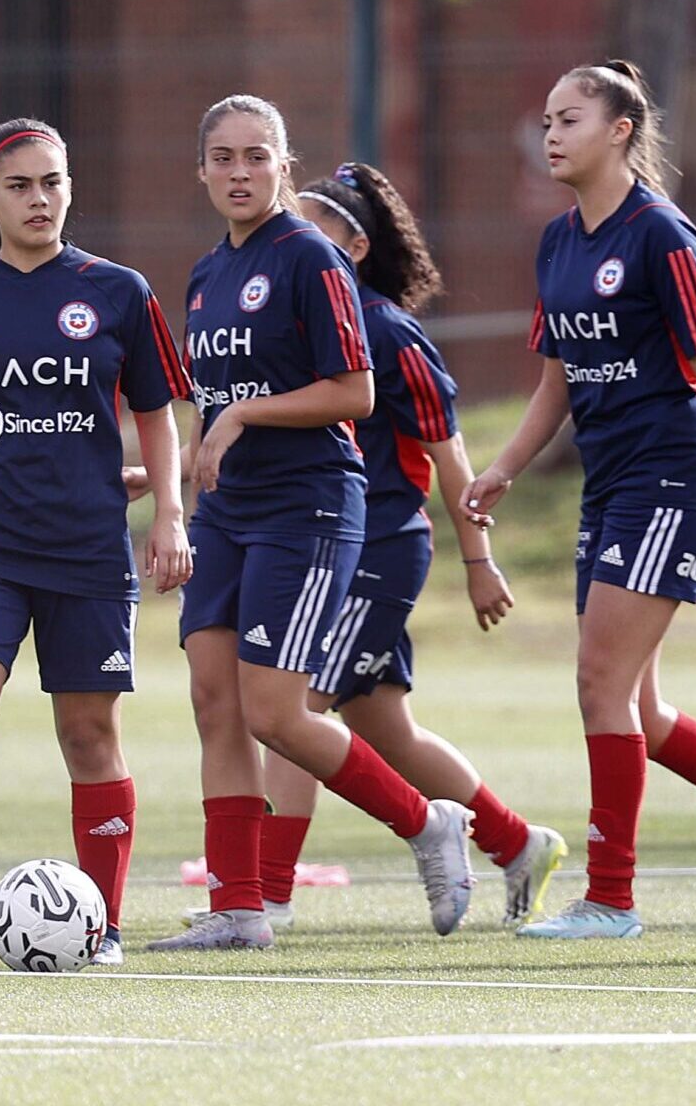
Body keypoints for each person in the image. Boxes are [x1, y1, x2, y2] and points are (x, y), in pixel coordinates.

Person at [466, 61, 696, 940]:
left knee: (599, 683)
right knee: (637, 707)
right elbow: (556, 380)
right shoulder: (561, 241)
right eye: (547, 119)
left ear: (621, 131)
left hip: (676, 474)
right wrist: (507, 467)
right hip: (611, 484)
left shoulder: (664, 237)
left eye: (569, 119)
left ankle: (612, 899)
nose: (551, 134)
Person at [181, 163, 567, 933]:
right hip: (313, 542)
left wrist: (479, 560)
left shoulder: (385, 328)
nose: (300, 231)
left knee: (295, 704)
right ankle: (517, 842)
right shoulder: (275, 314)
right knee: (387, 731)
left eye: (321, 221)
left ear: (356, 245)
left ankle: (272, 891)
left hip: (377, 544)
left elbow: (448, 452)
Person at [149, 95, 474, 951]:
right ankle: (239, 908)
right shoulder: (206, 273)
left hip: (310, 504)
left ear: (284, 167)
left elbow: (354, 393)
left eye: (257, 156)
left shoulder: (311, 259)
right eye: (223, 158)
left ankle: (426, 823)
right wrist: (169, 497)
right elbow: (207, 411)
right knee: (214, 704)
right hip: (228, 512)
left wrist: (245, 415)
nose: (240, 172)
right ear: (203, 171)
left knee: (275, 712)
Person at [0, 120, 191, 966]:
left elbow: (158, 416)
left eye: (52, 182)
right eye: (20, 185)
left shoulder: (118, 292)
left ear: (70, 188)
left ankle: (106, 924)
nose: (39, 199)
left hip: (89, 549)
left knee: (89, 737)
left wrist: (170, 514)